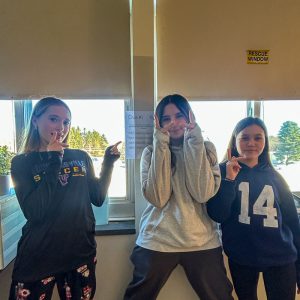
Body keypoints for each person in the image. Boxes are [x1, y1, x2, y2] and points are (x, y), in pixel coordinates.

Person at [9, 97, 120, 300]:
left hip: (79, 253)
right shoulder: (21, 163)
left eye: (66, 122)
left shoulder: (81, 156)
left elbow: (97, 197)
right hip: (39, 256)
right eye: (53, 119)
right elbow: (35, 212)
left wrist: (109, 163)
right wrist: (54, 159)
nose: (61, 127)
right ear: (35, 120)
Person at [124, 94, 233, 300]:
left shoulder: (206, 148)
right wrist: (161, 144)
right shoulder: (150, 152)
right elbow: (158, 198)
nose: (173, 123)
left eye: (179, 116)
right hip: (157, 239)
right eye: (166, 119)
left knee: (221, 296)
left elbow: (202, 193)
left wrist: (194, 141)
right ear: (158, 123)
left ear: (190, 117)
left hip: (202, 241)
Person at [207, 117, 300, 300]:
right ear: (235, 141)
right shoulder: (221, 172)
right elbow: (218, 214)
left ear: (265, 142)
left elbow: (293, 225)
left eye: (258, 138)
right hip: (241, 257)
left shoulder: (276, 178)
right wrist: (229, 180)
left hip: (280, 257)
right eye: (245, 138)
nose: (251, 143)